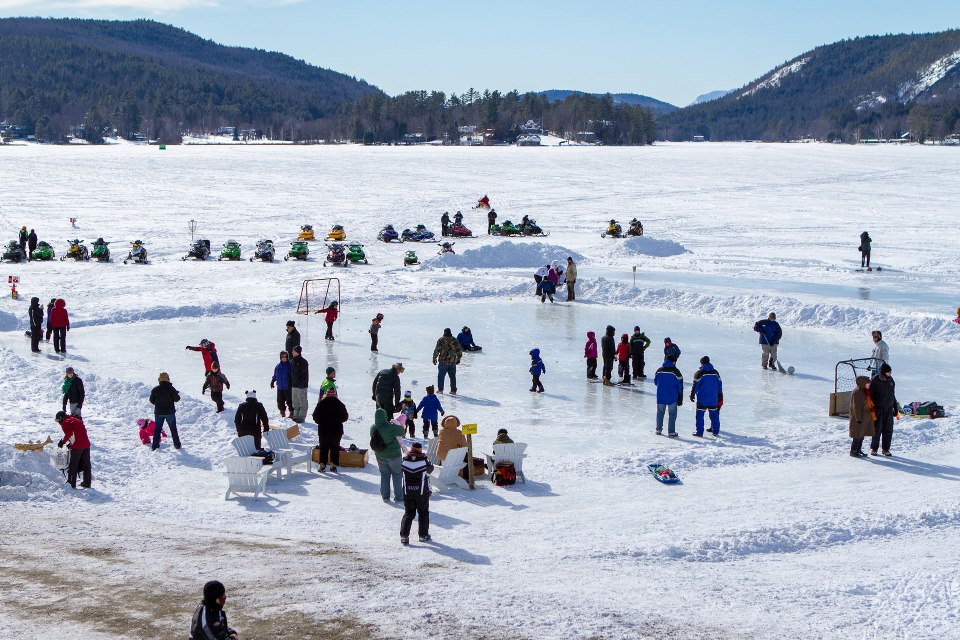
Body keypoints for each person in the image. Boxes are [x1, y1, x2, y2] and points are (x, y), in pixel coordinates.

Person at [400, 442, 434, 545]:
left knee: (409, 513)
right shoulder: (424, 461)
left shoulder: (404, 461)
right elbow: (430, 469)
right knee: (423, 512)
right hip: (421, 492)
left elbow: (400, 469)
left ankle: (404, 536)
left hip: (407, 491)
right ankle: (423, 535)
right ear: (420, 450)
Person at [370, 408, 406, 503]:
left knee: (384, 475)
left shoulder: (373, 428)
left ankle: (385, 497)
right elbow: (402, 431)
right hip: (394, 455)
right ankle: (398, 497)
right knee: (397, 475)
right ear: (385, 416)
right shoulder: (390, 427)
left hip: (380, 455)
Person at [313, 387, 348, 472]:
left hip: (324, 429)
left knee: (323, 447)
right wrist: (338, 421)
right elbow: (345, 417)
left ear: (326, 394)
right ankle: (333, 465)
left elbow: (315, 417)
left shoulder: (321, 404)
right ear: (335, 394)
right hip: (336, 430)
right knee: (335, 448)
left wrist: (321, 422)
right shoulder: (340, 404)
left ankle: (322, 465)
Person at [55, 410, 91, 489]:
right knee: (86, 464)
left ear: (61, 418)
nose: (58, 422)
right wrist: (71, 443)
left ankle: (71, 483)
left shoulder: (65, 422)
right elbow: (79, 433)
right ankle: (87, 483)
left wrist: (62, 442)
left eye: (58, 420)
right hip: (86, 444)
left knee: (73, 464)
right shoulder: (76, 420)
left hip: (78, 446)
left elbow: (69, 434)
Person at [869, 363, 899, 456]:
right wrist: (872, 409)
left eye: (890, 372)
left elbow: (892, 395)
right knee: (877, 430)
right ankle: (874, 449)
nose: (890, 374)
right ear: (883, 372)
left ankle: (885, 449)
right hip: (878, 409)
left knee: (888, 430)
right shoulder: (875, 380)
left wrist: (895, 407)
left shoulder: (891, 380)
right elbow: (870, 396)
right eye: (888, 372)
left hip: (889, 409)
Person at [690, 356, 723, 437]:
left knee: (700, 416)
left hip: (702, 399)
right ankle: (715, 431)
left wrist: (692, 394)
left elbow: (695, 385)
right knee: (714, 415)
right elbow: (719, 384)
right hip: (713, 398)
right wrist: (720, 394)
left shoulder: (700, 373)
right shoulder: (715, 372)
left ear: (701, 363)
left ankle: (700, 432)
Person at [149, 372, 181, 450]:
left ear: (159, 380)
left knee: (157, 430)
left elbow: (151, 400)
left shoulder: (155, 389)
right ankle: (177, 445)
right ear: (168, 379)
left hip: (159, 413)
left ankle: (155, 446)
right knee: (173, 429)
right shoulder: (171, 388)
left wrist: (158, 404)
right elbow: (177, 399)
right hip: (170, 413)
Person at [654, 359, 684, 437]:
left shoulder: (659, 370)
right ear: (673, 362)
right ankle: (671, 432)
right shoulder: (675, 371)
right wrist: (680, 396)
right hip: (672, 396)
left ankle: (658, 430)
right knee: (672, 414)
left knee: (660, 413)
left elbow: (655, 382)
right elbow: (680, 385)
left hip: (661, 396)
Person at [848, 376, 872, 457]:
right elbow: (856, 406)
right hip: (857, 417)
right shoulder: (857, 392)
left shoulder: (863, 390)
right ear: (863, 383)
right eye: (868, 383)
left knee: (861, 434)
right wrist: (858, 418)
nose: (869, 384)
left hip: (863, 416)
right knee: (857, 435)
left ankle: (858, 450)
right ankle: (853, 451)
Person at [433, 329, 462, 394]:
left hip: (443, 361)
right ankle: (453, 390)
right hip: (452, 362)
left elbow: (437, 350)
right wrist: (458, 358)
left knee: (441, 376)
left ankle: (440, 390)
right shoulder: (455, 340)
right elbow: (459, 350)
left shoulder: (441, 340)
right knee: (452, 376)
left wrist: (434, 358)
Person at [289, 346, 309, 423]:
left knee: (302, 402)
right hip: (294, 385)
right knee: (295, 402)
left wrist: (302, 383)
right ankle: (296, 416)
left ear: (298, 352)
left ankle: (301, 417)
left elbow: (305, 374)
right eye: (292, 351)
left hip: (301, 386)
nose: (292, 352)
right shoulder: (292, 361)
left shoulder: (303, 362)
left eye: (294, 351)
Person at [270, 351, 292, 418]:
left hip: (287, 386)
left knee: (289, 400)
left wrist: (291, 383)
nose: (284, 358)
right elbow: (275, 375)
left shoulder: (290, 365)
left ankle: (292, 413)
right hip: (280, 386)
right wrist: (272, 381)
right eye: (283, 357)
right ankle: (282, 413)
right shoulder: (278, 366)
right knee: (280, 401)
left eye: (285, 356)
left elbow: (292, 375)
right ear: (280, 357)